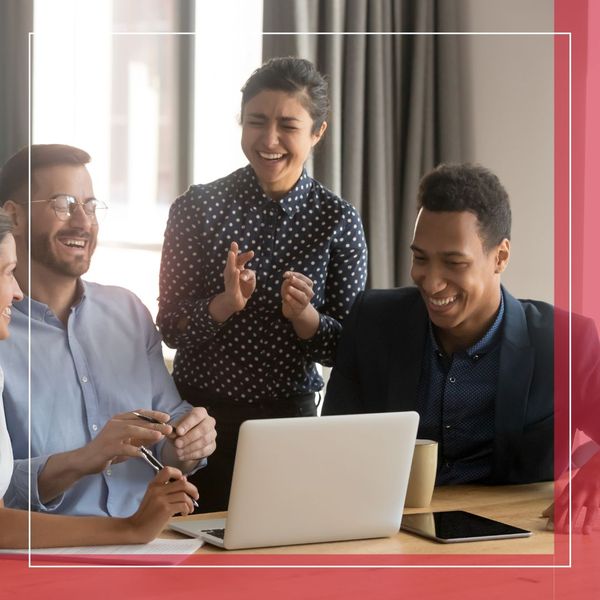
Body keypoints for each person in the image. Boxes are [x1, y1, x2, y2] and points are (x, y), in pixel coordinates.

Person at [322, 163, 600, 531]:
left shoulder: (567, 341)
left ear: (500, 257)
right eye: (420, 258)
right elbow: (330, 449)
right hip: (390, 534)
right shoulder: (372, 321)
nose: (432, 281)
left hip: (516, 541)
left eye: (454, 263)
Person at [157, 57, 368, 511]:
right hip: (197, 422)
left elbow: (350, 350)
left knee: (280, 562)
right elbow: (170, 328)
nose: (269, 140)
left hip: (288, 422)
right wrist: (224, 304)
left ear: (317, 133)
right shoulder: (196, 208)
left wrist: (306, 320)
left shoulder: (338, 220)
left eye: (288, 125)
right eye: (256, 121)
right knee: (192, 559)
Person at [0, 144, 216, 519]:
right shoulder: (2, 328)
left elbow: (169, 419)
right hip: (45, 556)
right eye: (63, 204)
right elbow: (3, 495)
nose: (83, 222)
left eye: (91, 205)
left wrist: (189, 440)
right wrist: (86, 458)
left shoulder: (128, 310)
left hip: (151, 541)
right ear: (13, 216)